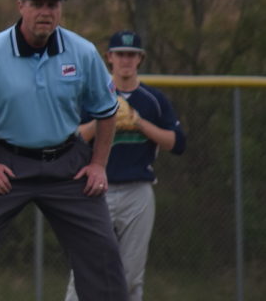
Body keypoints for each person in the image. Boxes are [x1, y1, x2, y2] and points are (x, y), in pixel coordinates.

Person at [0, 0, 128, 301]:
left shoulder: (82, 53)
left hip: (68, 164)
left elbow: (107, 111)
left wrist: (99, 164)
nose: (47, 12)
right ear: (21, 6)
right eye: (38, 4)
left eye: (53, 4)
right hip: (7, 164)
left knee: (102, 250)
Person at [65, 31, 187, 301]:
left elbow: (177, 144)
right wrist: (104, 121)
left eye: (132, 55)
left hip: (138, 191)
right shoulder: (92, 96)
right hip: (94, 191)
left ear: (140, 59)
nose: (126, 60)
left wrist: (139, 122)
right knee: (84, 269)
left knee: (131, 276)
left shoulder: (152, 99)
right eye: (120, 54)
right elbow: (69, 141)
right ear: (109, 58)